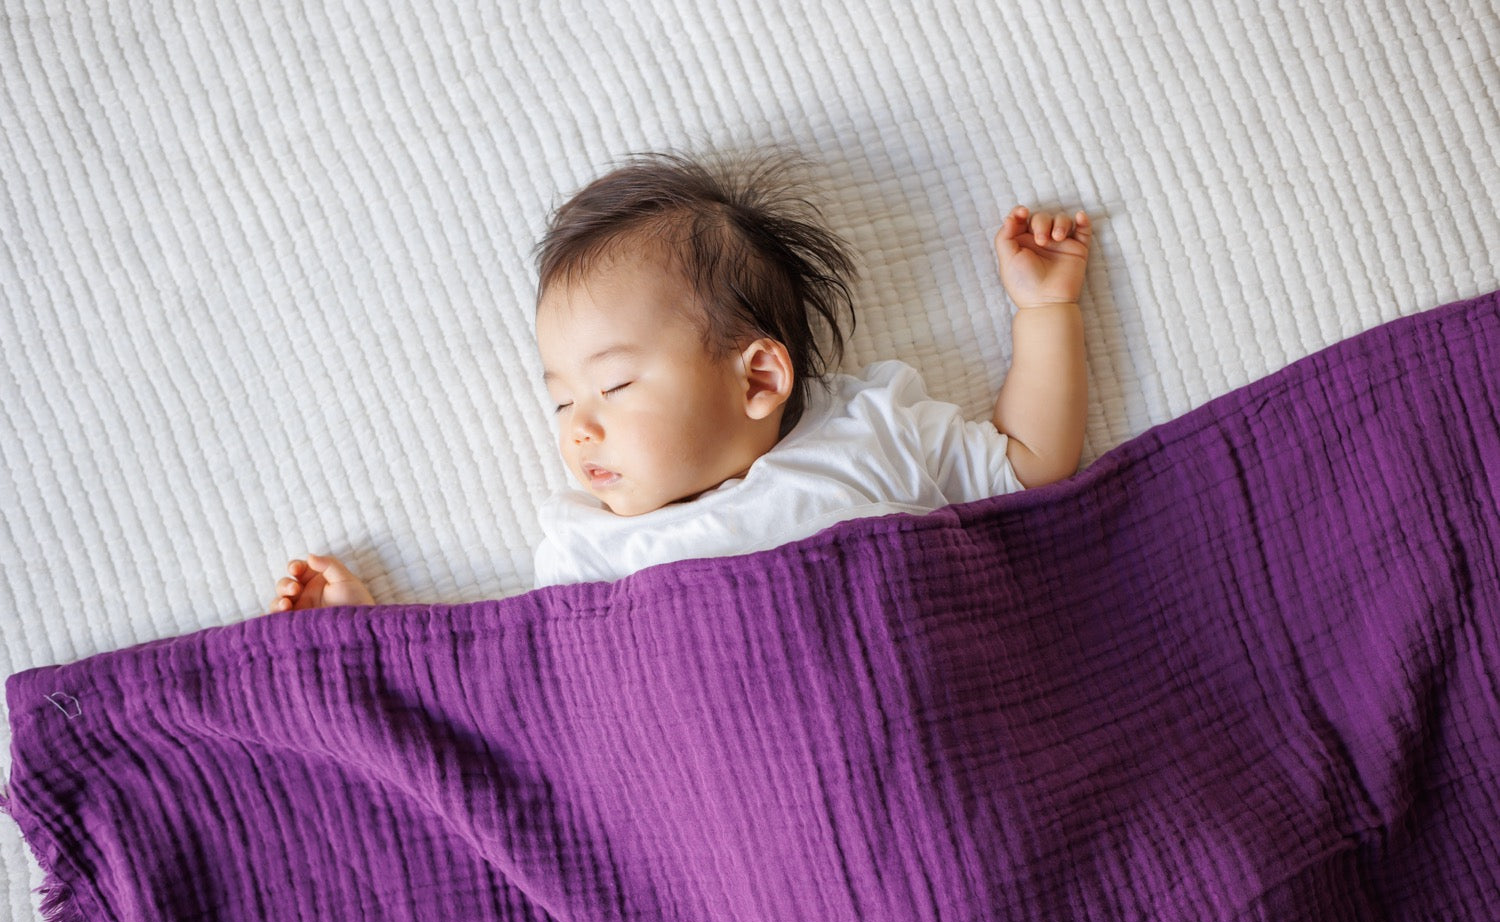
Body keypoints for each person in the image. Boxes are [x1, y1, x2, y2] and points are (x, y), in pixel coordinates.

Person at [268, 150, 1089, 610]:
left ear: (759, 376)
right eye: (562, 400)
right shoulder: (590, 546)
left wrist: (1045, 312)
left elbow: (1031, 464)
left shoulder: (872, 431)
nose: (578, 428)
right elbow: (520, 698)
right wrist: (361, 631)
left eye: (614, 387)